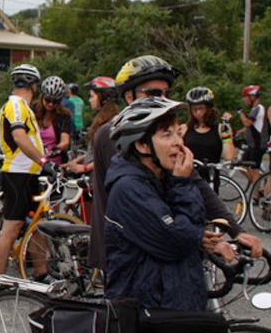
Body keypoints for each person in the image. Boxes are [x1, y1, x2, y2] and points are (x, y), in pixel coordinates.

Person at [104, 96, 237, 333]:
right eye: (166, 135)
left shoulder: (159, 178)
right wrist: (184, 185)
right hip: (144, 313)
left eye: (178, 132)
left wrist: (203, 238)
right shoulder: (129, 187)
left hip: (172, 309)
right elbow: (175, 237)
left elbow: (183, 232)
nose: (179, 141)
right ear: (142, 144)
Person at [88, 55, 262, 270]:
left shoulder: (164, 135)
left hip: (164, 241)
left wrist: (237, 230)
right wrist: (195, 238)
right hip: (129, 252)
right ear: (128, 95)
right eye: (153, 93)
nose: (162, 99)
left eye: (166, 93)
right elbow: (142, 201)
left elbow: (195, 182)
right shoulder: (113, 135)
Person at [0, 64, 50, 278]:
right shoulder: (16, 105)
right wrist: (43, 160)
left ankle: (42, 273)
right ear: (34, 85)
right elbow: (19, 137)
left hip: (29, 174)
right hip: (18, 174)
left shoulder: (24, 107)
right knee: (13, 226)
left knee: (35, 224)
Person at [62, 76, 119, 175]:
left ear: (102, 97)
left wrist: (85, 167)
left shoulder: (111, 123)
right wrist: (77, 160)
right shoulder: (102, 118)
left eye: (92, 96)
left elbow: (110, 156)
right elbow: (95, 152)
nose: (89, 100)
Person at [181, 87, 234, 180]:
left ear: (209, 108)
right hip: (188, 178)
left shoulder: (220, 129)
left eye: (201, 108)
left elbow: (229, 157)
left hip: (211, 179)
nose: (198, 113)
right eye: (194, 109)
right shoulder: (184, 129)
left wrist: (226, 131)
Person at [34, 75, 73, 166]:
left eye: (55, 101)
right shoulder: (32, 111)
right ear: (42, 97)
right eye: (48, 100)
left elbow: (65, 140)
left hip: (53, 162)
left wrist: (58, 148)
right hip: (33, 161)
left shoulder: (64, 115)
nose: (51, 104)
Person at [239, 85, 267, 184]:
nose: (244, 100)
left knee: (254, 170)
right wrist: (240, 132)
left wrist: (240, 112)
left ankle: (256, 195)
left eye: (246, 97)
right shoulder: (255, 108)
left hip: (257, 144)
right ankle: (257, 188)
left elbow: (248, 123)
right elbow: (251, 126)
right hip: (252, 144)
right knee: (241, 166)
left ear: (252, 96)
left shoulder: (258, 108)